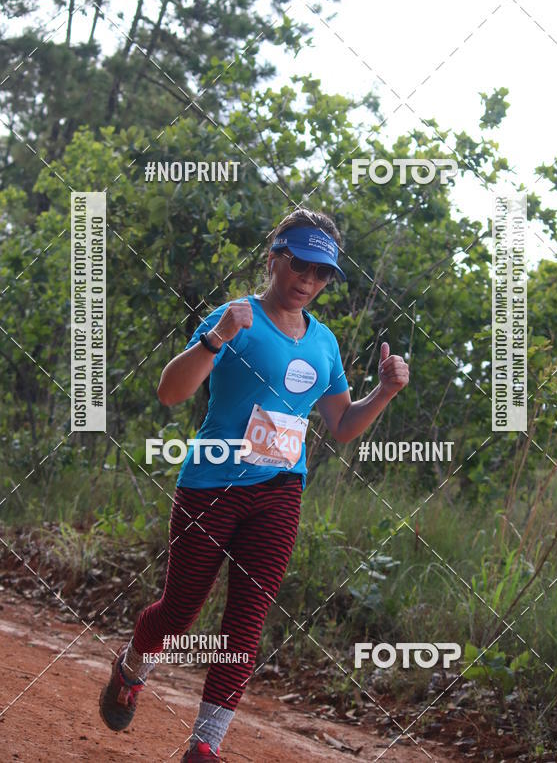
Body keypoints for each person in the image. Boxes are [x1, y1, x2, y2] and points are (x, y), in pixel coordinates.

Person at [98, 207, 409, 760]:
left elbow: (341, 425)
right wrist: (217, 337)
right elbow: (170, 392)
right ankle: (133, 665)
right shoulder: (237, 317)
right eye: (300, 265)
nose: (308, 281)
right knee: (179, 612)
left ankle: (205, 746)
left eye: (321, 273)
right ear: (274, 259)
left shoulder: (324, 343)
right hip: (212, 484)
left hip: (280, 491)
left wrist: (383, 393)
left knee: (246, 621)